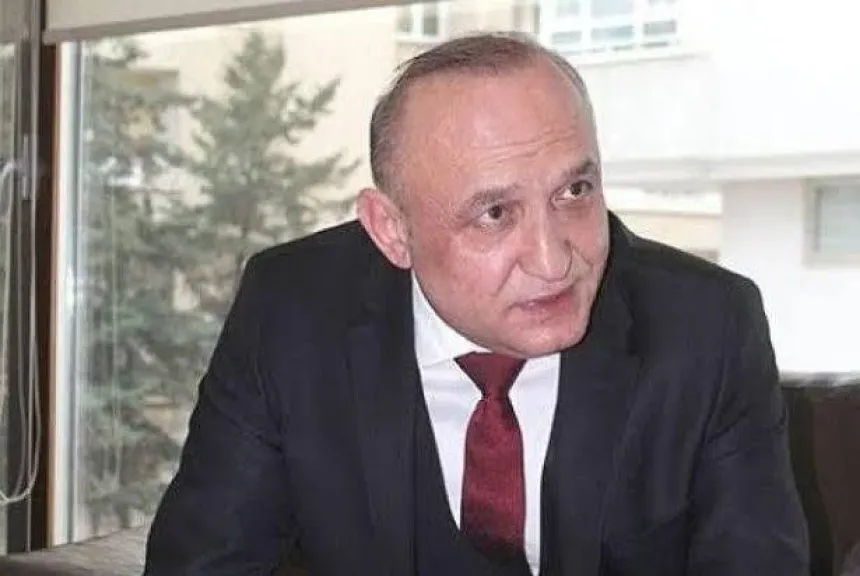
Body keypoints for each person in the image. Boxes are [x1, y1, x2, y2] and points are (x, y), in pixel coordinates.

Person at [143, 31, 808, 575]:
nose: (554, 260)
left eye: (574, 191)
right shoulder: (291, 312)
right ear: (390, 230)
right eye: (495, 213)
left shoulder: (707, 327)